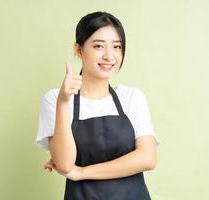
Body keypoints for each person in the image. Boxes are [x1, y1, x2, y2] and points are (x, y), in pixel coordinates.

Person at [35, 11, 160, 200]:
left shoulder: (132, 97)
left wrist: (82, 172)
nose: (109, 56)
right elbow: (65, 164)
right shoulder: (54, 99)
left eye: (117, 47)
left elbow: (147, 158)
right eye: (99, 46)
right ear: (78, 50)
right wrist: (63, 102)